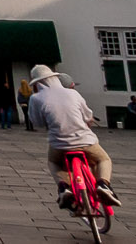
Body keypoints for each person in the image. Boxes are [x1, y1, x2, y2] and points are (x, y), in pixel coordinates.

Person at [26, 65, 121, 209]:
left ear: (38, 82)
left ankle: (64, 188)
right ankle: (103, 184)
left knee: (54, 163)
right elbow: (88, 115)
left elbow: (37, 122)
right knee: (103, 159)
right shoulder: (72, 93)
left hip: (59, 144)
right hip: (85, 141)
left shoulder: (36, 98)